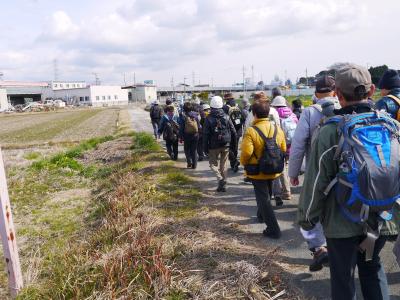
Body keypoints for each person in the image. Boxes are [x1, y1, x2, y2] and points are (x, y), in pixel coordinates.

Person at [298, 64, 399, 300]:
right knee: (372, 269)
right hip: (382, 217)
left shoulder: (330, 131)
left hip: (341, 221)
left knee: (343, 276)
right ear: (372, 89)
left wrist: (307, 218)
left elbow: (315, 182)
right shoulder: (392, 126)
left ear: (338, 95)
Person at [289, 75, 339, 272]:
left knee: (310, 209)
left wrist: (293, 172)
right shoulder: (346, 105)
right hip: (345, 172)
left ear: (316, 94)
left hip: (317, 170)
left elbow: (298, 145)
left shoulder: (310, 112)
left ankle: (319, 248)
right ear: (335, 92)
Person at [240, 99, 286, 239]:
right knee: (267, 196)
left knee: (263, 200)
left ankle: (274, 229)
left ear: (254, 114)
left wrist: (243, 163)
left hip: (257, 171)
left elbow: (247, 153)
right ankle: (261, 216)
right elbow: (283, 149)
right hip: (274, 169)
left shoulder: (251, 131)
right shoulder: (278, 129)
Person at [203, 96, 237, 192]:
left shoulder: (208, 118)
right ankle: (223, 185)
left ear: (211, 106)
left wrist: (205, 148)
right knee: (223, 165)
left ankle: (220, 179)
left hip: (213, 146)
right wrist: (234, 146)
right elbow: (233, 131)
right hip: (226, 144)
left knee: (213, 164)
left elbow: (205, 135)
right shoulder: (226, 116)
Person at [270, 95, 298, 205]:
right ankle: (285, 191)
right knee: (285, 167)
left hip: (280, 146)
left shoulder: (275, 115)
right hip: (291, 146)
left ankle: (285, 192)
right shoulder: (293, 115)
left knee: (280, 170)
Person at [223, 93, 244, 172]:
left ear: (226, 99)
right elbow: (243, 118)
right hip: (238, 131)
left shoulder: (225, 107)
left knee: (228, 148)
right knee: (235, 147)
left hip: (229, 131)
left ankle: (234, 162)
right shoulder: (239, 106)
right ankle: (234, 165)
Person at [179, 102, 200, 169]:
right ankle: (195, 165)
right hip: (195, 135)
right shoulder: (196, 115)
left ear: (184, 109)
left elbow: (181, 127)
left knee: (186, 149)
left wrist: (181, 137)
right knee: (194, 150)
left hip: (187, 135)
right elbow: (199, 126)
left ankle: (189, 162)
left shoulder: (183, 116)